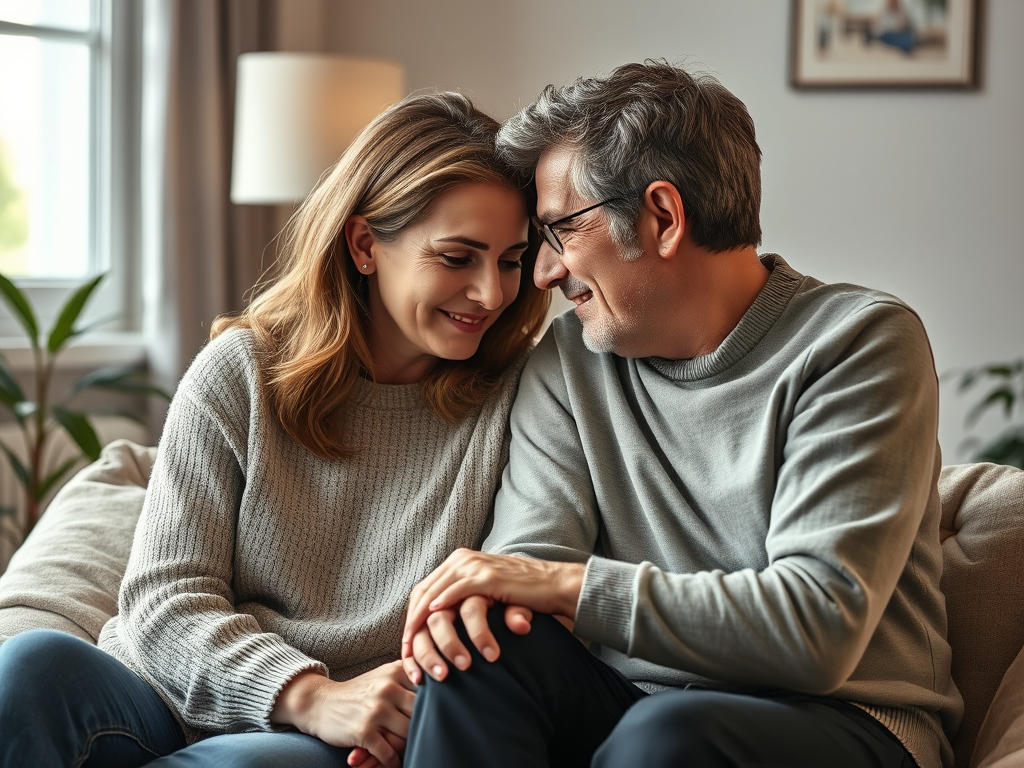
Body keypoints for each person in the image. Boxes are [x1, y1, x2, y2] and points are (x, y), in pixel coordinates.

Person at [400, 61, 961, 768]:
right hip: (633, 706)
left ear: (662, 217)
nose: (543, 273)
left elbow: (817, 629)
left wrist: (567, 586)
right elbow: (523, 574)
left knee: (665, 735)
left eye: (561, 231)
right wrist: (478, 608)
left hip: (844, 718)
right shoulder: (571, 360)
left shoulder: (857, 342)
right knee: (481, 649)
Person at [0, 92, 549, 768]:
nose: (492, 293)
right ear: (365, 245)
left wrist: (343, 709)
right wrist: (309, 694)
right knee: (28, 663)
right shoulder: (241, 370)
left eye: (511, 260)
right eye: (458, 257)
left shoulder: (521, 396)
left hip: (327, 739)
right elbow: (164, 601)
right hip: (167, 697)